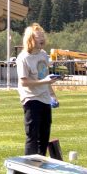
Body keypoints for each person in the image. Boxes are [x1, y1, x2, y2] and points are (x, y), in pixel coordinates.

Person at [16, 22, 59, 156]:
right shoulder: (23, 58)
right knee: (32, 135)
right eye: (38, 37)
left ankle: (41, 164)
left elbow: (46, 77)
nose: (42, 39)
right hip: (31, 98)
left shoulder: (43, 54)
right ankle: (29, 167)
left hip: (45, 98)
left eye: (43, 36)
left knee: (45, 135)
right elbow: (24, 82)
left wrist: (52, 95)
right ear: (30, 39)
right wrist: (44, 81)